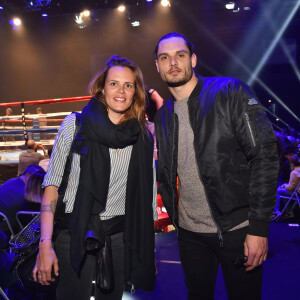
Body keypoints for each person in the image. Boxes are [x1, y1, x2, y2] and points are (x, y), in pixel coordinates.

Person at [153, 32, 278, 300]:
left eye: (180, 55)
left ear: (193, 59)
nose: (173, 62)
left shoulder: (230, 92)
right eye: (165, 57)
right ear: (157, 65)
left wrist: (258, 229)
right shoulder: (163, 115)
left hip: (238, 230)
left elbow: (264, 157)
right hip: (189, 235)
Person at [33, 55, 157, 300]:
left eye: (128, 85)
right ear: (102, 87)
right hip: (74, 232)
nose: (121, 91)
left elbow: (148, 200)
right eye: (114, 83)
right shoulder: (75, 125)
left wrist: (147, 251)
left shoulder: (142, 136)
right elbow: (52, 186)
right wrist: (45, 244)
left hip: (120, 237)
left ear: (135, 92)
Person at [0, 164, 44, 235]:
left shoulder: (11, 181)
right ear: (27, 176)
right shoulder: (27, 193)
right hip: (6, 227)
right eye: (36, 178)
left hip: (3, 221)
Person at [274, 154, 300, 218]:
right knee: (285, 193)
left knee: (277, 191)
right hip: (297, 191)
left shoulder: (294, 172)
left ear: (292, 163)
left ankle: (276, 211)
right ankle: (289, 212)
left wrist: (284, 185)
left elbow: (291, 187)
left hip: (298, 193)